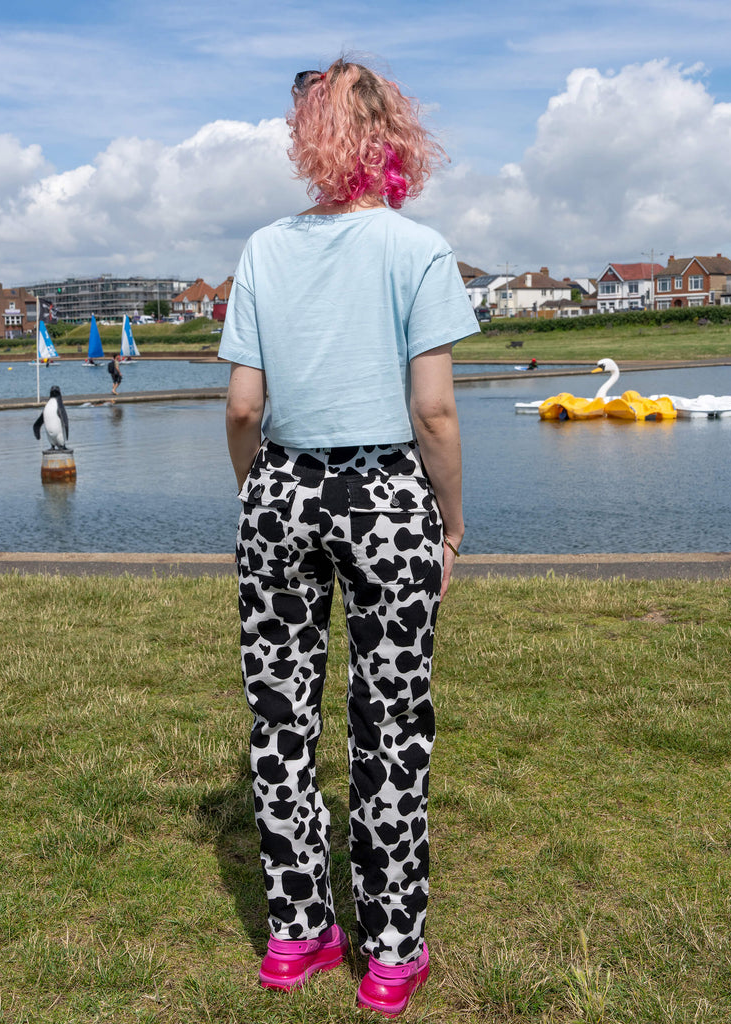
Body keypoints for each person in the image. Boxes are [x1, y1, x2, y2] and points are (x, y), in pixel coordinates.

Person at [219, 59, 480, 1017]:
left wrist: (264, 499)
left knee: (281, 720)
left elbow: (245, 406)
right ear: (394, 137)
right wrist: (449, 524)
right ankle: (389, 951)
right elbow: (435, 414)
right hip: (385, 496)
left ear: (307, 141)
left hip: (281, 491)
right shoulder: (416, 248)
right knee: (390, 722)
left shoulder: (261, 250)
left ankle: (295, 938)